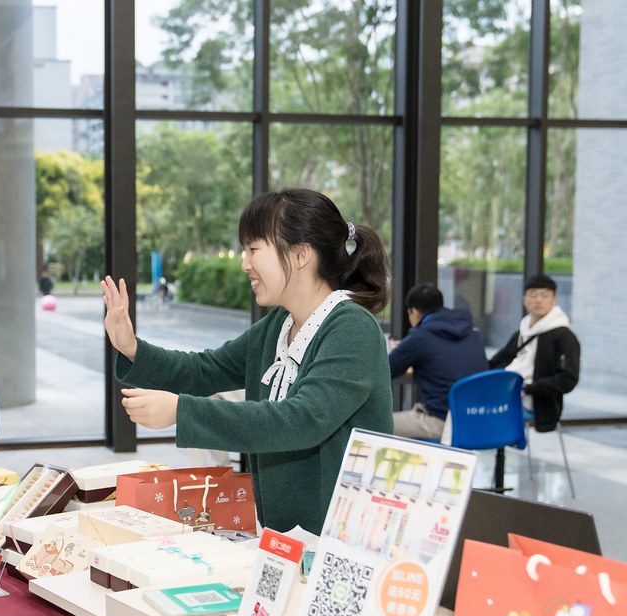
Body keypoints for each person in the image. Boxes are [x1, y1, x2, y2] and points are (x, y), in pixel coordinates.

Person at [101, 188, 393, 533]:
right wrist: (132, 348)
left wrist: (182, 411)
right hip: (284, 537)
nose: (245, 264)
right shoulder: (277, 326)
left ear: (301, 254)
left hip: (341, 538)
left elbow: (302, 419)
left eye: (254, 249)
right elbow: (205, 370)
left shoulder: (352, 327)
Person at [389, 283, 488, 440]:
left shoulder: (420, 337)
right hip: (480, 418)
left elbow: (387, 369)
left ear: (414, 312)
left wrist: (397, 349)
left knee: (377, 424)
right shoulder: (471, 332)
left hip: (444, 422)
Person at [488, 274, 580, 432]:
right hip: (507, 392)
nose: (538, 300)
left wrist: (528, 389)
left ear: (554, 300)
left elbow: (568, 378)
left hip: (537, 404)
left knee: (484, 414)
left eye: (545, 295)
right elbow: (499, 360)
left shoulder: (564, 336)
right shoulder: (522, 331)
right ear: (524, 299)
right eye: (533, 295)